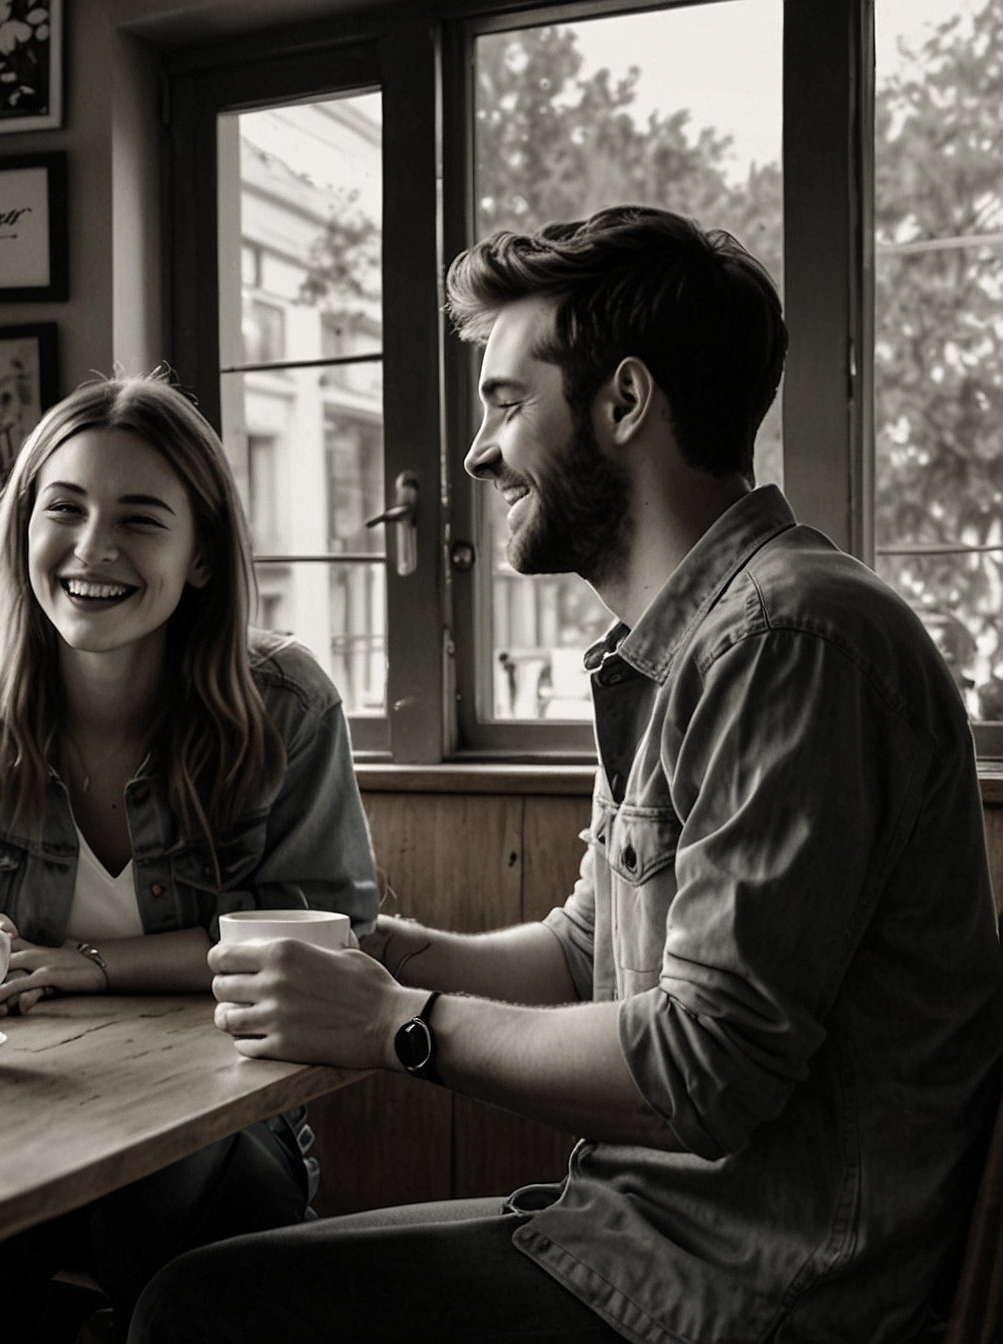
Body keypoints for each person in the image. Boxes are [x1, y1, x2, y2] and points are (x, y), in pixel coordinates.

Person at [133, 205, 1003, 1344]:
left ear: (625, 402)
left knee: (199, 1312)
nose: (475, 453)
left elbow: (705, 1065)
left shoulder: (789, 644)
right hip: (644, 1238)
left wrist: (396, 1021)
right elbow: (591, 952)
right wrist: (392, 955)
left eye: (502, 403)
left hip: (760, 1290)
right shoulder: (685, 639)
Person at [0, 375, 379, 1341]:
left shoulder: (285, 702)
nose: (94, 549)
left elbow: (329, 943)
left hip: (221, 1118)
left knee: (145, 1189)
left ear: (202, 557)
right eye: (66, 509)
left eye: (140, 519)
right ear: (23, 530)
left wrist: (90, 968)